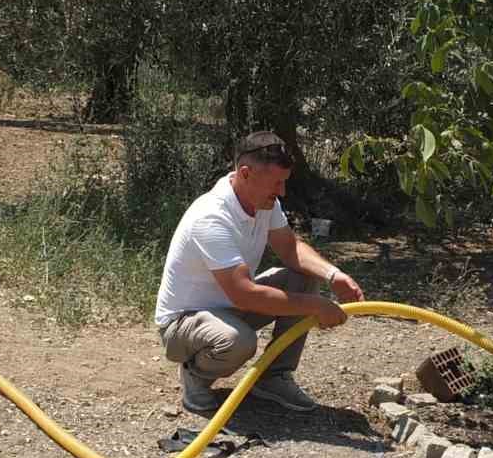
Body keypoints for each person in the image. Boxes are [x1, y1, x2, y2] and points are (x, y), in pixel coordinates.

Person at [154, 131, 364, 415]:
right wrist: (317, 305)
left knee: (301, 278)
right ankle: (196, 375)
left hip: (229, 308)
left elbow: (290, 249)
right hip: (183, 325)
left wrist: (333, 274)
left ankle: (273, 378)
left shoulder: (265, 204)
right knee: (237, 341)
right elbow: (244, 294)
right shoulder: (211, 217)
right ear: (245, 173)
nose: (282, 192)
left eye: (284, 182)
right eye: (276, 183)